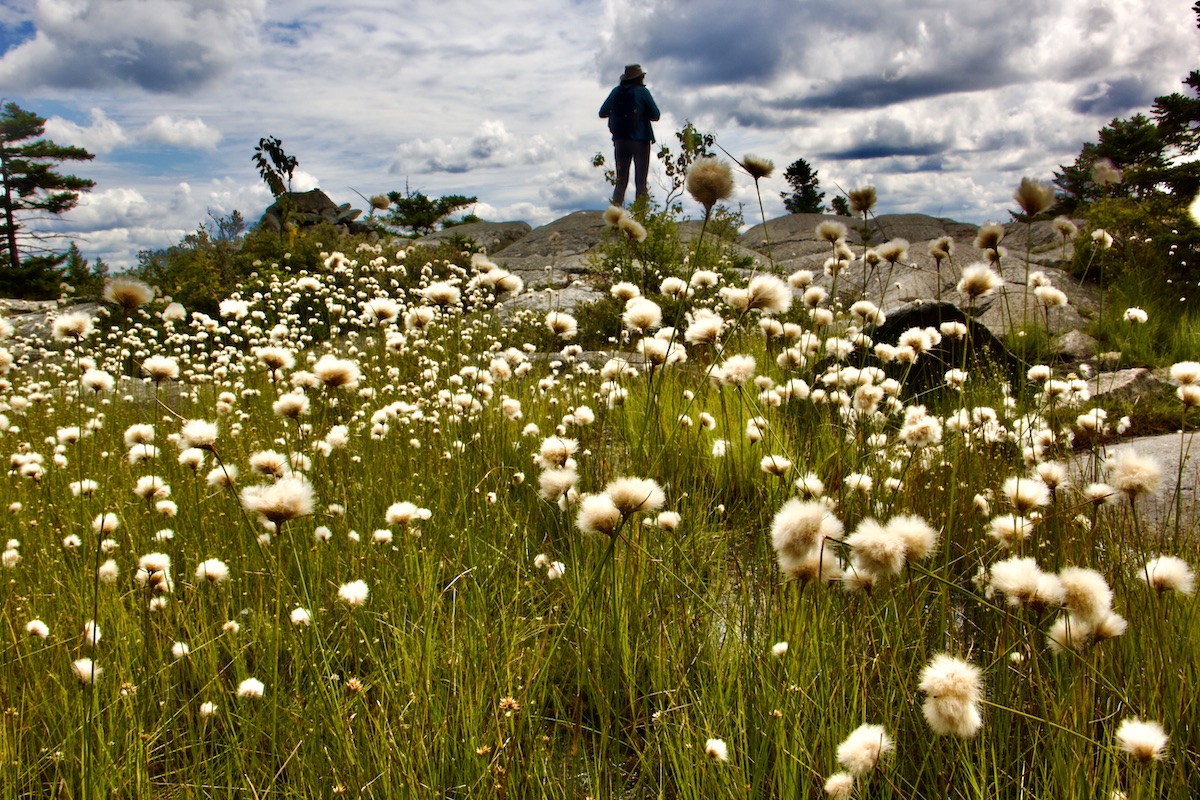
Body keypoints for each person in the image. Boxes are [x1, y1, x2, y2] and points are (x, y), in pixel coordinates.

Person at [599, 64, 660, 207]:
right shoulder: (643, 92)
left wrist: (618, 113)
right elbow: (655, 115)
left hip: (620, 141)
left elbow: (602, 112)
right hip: (641, 140)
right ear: (639, 78)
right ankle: (640, 217)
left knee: (621, 182)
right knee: (640, 182)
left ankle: (616, 215)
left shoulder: (616, 92)